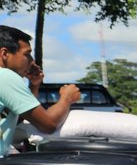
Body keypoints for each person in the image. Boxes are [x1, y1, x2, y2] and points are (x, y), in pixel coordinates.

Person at [0, 25, 80, 155]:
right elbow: (48, 124)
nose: (32, 60)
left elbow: (10, 117)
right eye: (27, 54)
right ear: (4, 54)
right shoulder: (5, 76)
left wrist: (34, 85)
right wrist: (67, 98)